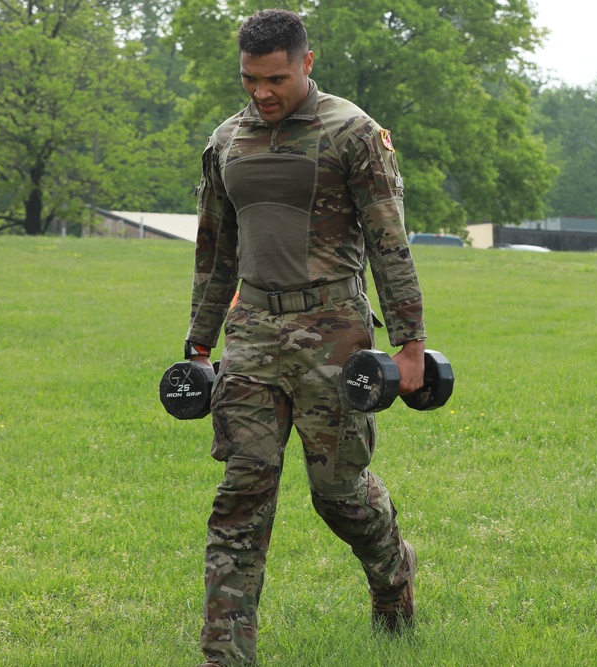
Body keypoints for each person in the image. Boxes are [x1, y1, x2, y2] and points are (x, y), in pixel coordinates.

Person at [182, 9, 427, 666]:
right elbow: (215, 251)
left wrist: (408, 343)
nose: (262, 92)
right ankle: (224, 655)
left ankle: (392, 573)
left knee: (339, 492)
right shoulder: (226, 140)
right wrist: (198, 343)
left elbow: (388, 242)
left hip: (335, 334)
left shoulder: (352, 134)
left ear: (306, 64)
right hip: (254, 334)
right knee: (241, 496)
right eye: (250, 79)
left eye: (276, 79)